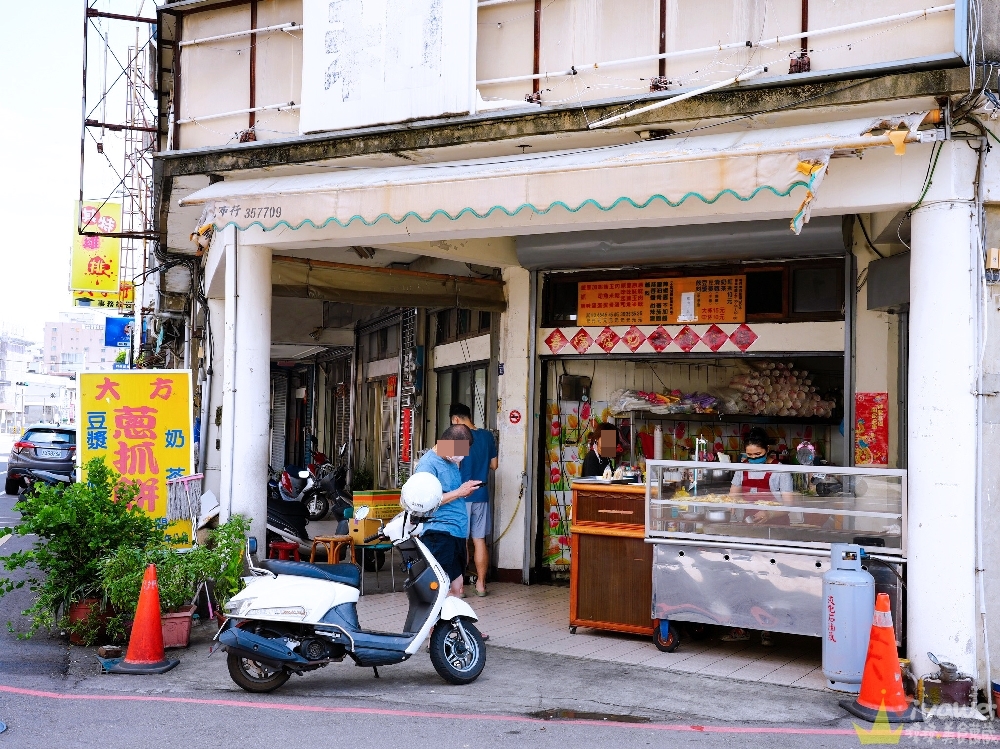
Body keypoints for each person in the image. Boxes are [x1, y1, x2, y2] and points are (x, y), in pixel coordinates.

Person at [721, 427, 793, 647]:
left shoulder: (781, 471)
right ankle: (741, 626)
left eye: (757, 455)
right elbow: (733, 496)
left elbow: (788, 504)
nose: (752, 459)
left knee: (769, 579)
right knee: (743, 577)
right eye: (749, 455)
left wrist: (770, 512)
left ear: (767, 450)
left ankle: (768, 629)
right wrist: (732, 509)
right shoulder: (740, 469)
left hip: (774, 531)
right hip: (747, 529)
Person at [413, 424, 481, 598]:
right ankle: (432, 626)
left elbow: (448, 493)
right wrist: (460, 492)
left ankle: (448, 626)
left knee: (457, 588)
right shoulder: (428, 464)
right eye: (460, 450)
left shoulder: (451, 461)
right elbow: (423, 501)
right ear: (448, 442)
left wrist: (462, 491)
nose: (462, 456)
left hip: (456, 532)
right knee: (439, 589)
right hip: (440, 533)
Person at [449, 403, 497, 597]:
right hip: (482, 494)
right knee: (479, 540)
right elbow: (494, 465)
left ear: (456, 419)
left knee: (462, 541)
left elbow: (439, 457)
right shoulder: (486, 436)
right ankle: (481, 584)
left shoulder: (459, 437)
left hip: (462, 495)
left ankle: (460, 588)